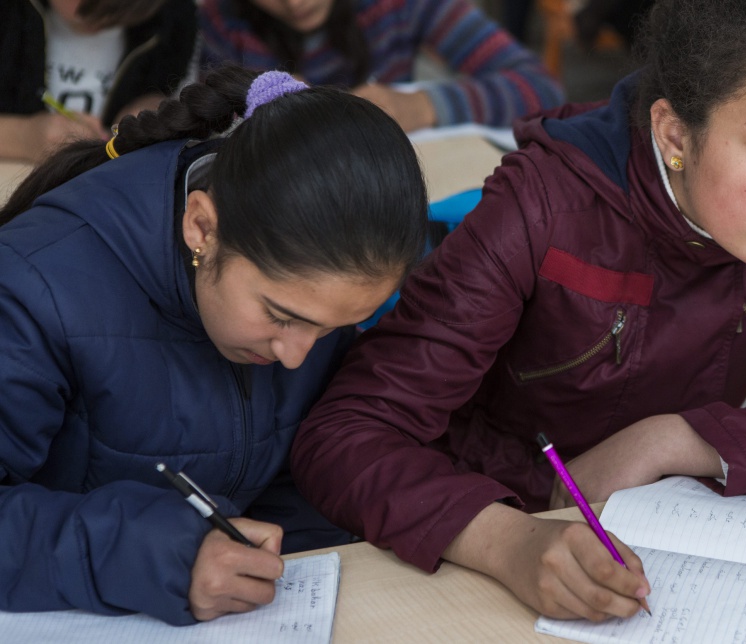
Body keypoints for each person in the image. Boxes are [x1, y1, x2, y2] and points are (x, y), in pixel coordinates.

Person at [290, 0, 746, 623]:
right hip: (488, 546)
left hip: (656, 549)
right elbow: (347, 433)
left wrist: (677, 439)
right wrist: (505, 541)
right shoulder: (540, 206)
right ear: (673, 131)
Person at [0, 66, 427, 624]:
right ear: (201, 227)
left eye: (330, 330)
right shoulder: (33, 287)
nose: (297, 355)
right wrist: (162, 557)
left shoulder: (309, 283)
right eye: (280, 316)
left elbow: (289, 470)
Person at [198, 0, 565, 132]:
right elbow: (203, 121)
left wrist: (422, 107)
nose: (295, 3)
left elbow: (540, 88)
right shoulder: (220, 20)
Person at [0, 0, 198, 163]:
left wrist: (151, 105)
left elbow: (174, 93)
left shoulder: (173, 23)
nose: (103, 18)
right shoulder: (10, 17)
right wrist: (23, 137)